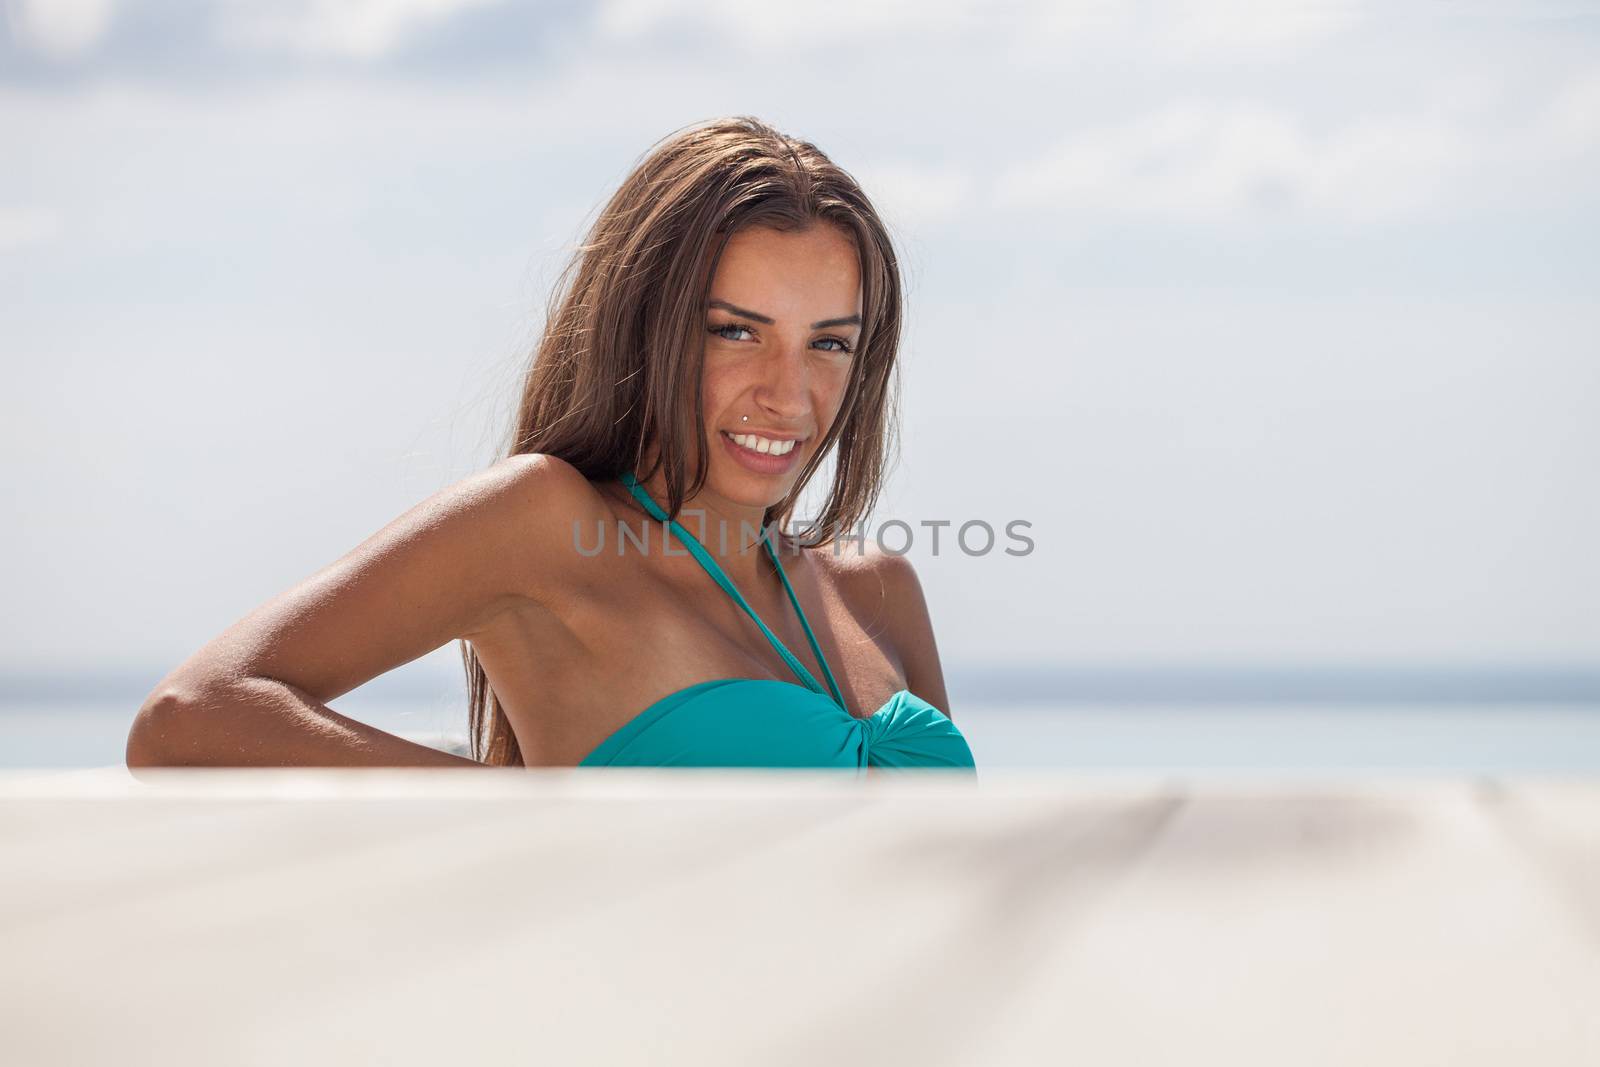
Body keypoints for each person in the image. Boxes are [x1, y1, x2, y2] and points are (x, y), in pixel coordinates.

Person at [125, 116, 975, 772]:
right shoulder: (541, 522)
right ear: (645, 327)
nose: (790, 394)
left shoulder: (879, 589)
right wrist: (541, 818)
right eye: (734, 332)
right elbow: (193, 712)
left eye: (830, 343)